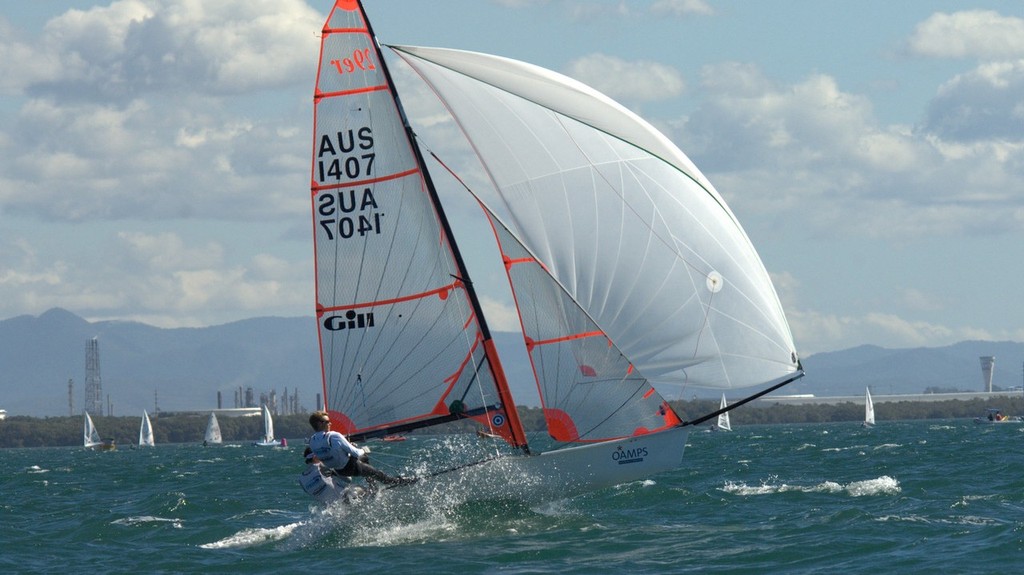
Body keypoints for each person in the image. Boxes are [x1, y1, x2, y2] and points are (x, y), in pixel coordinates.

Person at [307, 411, 417, 491]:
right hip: (352, 467)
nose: (330, 423)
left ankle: (373, 487)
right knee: (380, 475)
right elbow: (355, 453)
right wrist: (363, 450)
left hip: (340, 471)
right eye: (327, 422)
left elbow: (312, 457)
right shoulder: (334, 436)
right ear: (320, 423)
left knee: (364, 459)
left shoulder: (312, 441)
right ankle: (401, 481)